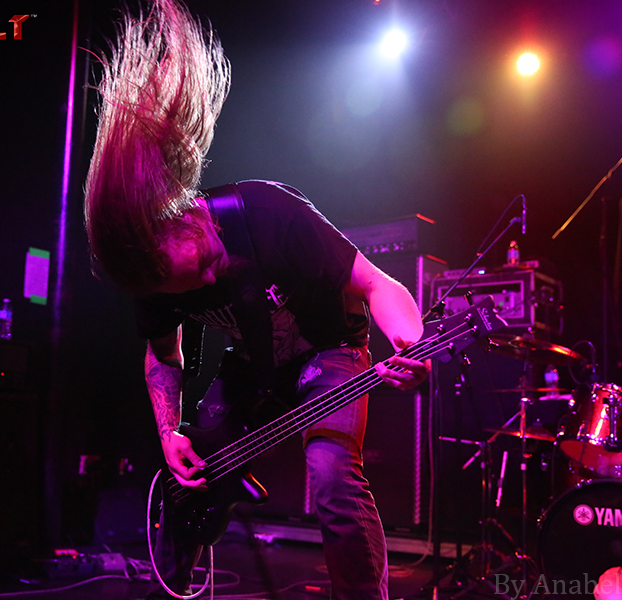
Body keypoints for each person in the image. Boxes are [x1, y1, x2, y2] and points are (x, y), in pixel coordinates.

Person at [83, 2, 428, 599]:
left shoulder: (269, 212)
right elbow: (163, 355)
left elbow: (379, 284)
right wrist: (170, 435)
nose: (208, 276)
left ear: (182, 215)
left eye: (206, 261)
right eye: (190, 286)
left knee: (332, 476)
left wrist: (409, 343)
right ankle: (172, 587)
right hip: (251, 365)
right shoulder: (151, 277)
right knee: (191, 482)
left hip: (331, 350)